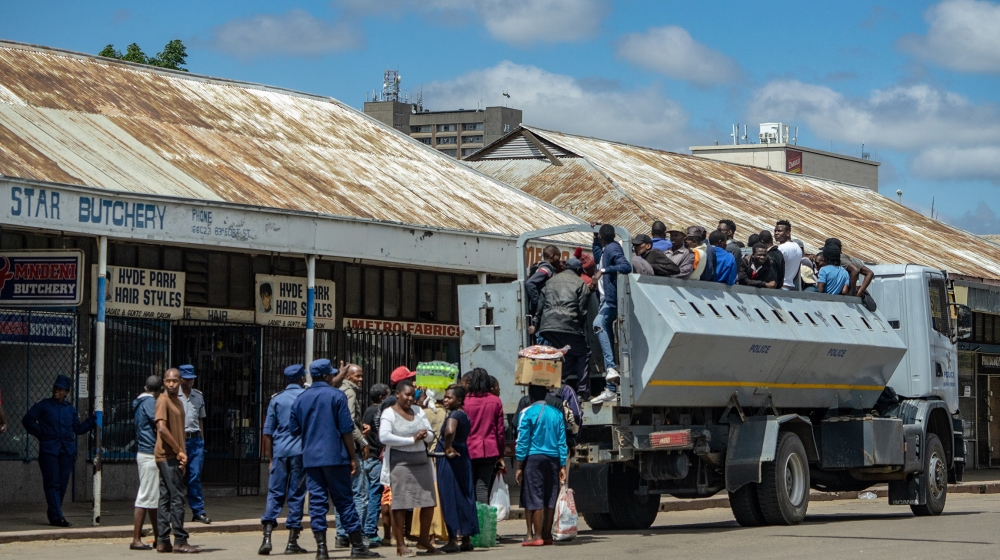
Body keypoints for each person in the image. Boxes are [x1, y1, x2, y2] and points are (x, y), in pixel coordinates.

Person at [291, 359, 379, 559]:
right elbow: (346, 430)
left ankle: (322, 549)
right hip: (335, 457)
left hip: (311, 458)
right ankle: (357, 546)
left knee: (317, 502)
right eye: (331, 374)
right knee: (345, 501)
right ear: (325, 376)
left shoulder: (301, 399)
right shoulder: (337, 396)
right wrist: (352, 457)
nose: (333, 376)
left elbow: (294, 429)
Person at [22, 374, 96, 527]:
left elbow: (78, 429)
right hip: (49, 450)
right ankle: (57, 516)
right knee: (52, 483)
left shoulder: (70, 410)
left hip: (67, 452)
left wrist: (93, 419)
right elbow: (28, 419)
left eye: (60, 389)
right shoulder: (43, 405)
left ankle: (54, 513)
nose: (56, 390)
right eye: (55, 387)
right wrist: (41, 434)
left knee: (62, 484)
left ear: (66, 392)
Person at [378, 379, 438, 556]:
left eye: (413, 395)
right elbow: (384, 437)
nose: (411, 398)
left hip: (421, 462)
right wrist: (411, 440)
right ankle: (400, 545)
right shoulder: (389, 413)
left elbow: (430, 434)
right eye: (407, 395)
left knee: (428, 501)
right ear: (398, 394)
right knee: (401, 503)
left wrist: (425, 435)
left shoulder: (419, 411)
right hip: (400, 463)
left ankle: (424, 540)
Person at [259, 364, 309, 556]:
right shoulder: (305, 397)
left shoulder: (276, 399)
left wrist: (270, 458)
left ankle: (267, 537)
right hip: (300, 453)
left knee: (275, 493)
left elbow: (268, 432)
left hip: (280, 452)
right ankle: (292, 542)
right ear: (301, 378)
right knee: (296, 495)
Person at [530, 258, 592, 399]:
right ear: (578, 270)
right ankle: (583, 391)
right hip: (568, 325)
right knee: (584, 353)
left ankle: (556, 387)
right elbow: (583, 310)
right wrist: (580, 326)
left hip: (548, 328)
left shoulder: (550, 281)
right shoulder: (580, 283)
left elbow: (540, 303)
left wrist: (536, 323)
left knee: (565, 353)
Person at [515, 385, 568, 547]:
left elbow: (522, 441)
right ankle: (546, 535)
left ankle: (536, 536)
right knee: (550, 496)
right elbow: (562, 441)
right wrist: (563, 465)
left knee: (535, 496)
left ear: (530, 396)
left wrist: (518, 465)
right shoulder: (557, 413)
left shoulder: (526, 413)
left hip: (533, 459)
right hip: (553, 459)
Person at [154, 368, 199, 554]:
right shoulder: (162, 400)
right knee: (178, 497)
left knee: (165, 497)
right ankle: (180, 539)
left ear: (180, 381)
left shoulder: (178, 401)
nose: (171, 384)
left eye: (174, 381)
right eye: (168, 381)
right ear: (164, 382)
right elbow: (162, 429)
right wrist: (179, 451)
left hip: (176, 455)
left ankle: (163, 540)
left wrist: (182, 452)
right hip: (167, 455)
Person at [590, 224, 631, 404]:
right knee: (605, 331)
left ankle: (612, 369)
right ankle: (611, 389)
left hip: (611, 301)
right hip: (605, 300)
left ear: (602, 236)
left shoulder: (613, 248)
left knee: (598, 324)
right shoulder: (606, 249)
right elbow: (598, 255)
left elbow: (625, 266)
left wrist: (603, 271)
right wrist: (594, 237)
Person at [435, 386, 478, 553]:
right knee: (464, 496)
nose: (446, 400)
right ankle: (466, 539)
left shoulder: (455, 415)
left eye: (449, 398)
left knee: (450, 496)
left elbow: (449, 431)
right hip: (462, 456)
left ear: (459, 400)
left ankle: (453, 539)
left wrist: (446, 447)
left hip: (451, 458)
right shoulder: (463, 414)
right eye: (445, 397)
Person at [336, 364, 371, 549]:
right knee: (359, 494)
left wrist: (360, 426)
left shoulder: (340, 392)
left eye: (361, 375)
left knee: (342, 494)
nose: (360, 379)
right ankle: (357, 534)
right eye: (357, 376)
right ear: (348, 377)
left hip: (340, 450)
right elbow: (348, 422)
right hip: (351, 450)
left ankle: (342, 534)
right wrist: (363, 442)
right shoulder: (349, 393)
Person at [463, 368, 505, 503]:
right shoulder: (495, 401)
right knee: (483, 487)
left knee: (469, 486)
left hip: (468, 449)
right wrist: (501, 454)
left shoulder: (465, 401)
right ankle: (483, 521)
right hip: (489, 450)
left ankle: (471, 520)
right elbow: (500, 431)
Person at [131, 375, 162, 551]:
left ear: (145, 387)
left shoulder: (140, 402)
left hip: (144, 452)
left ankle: (159, 537)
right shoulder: (151, 404)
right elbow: (158, 425)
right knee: (145, 496)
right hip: (150, 453)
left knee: (152, 498)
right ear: (160, 391)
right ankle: (136, 539)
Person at [177, 365, 210, 525]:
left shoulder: (198, 396)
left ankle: (198, 511)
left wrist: (202, 441)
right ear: (180, 379)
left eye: (191, 378)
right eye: (186, 378)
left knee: (195, 477)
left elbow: (200, 420)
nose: (189, 381)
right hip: (179, 440)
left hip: (195, 440)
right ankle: (175, 512)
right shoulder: (173, 396)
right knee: (176, 477)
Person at [361, 384, 390, 546]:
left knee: (366, 495)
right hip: (375, 458)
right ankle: (370, 530)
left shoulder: (368, 411)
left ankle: (365, 529)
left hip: (368, 457)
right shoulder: (380, 412)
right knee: (375, 495)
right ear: (381, 398)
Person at [526, 245, 562, 341]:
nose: (559, 259)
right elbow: (530, 283)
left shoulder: (550, 269)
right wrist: (536, 301)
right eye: (558, 256)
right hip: (541, 319)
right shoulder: (547, 269)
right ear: (551, 255)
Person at [774, 220, 802, 290]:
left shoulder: (781, 248)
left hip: (781, 287)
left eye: (779, 231)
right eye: (775, 231)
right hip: (791, 286)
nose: (776, 233)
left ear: (788, 233)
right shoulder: (797, 247)